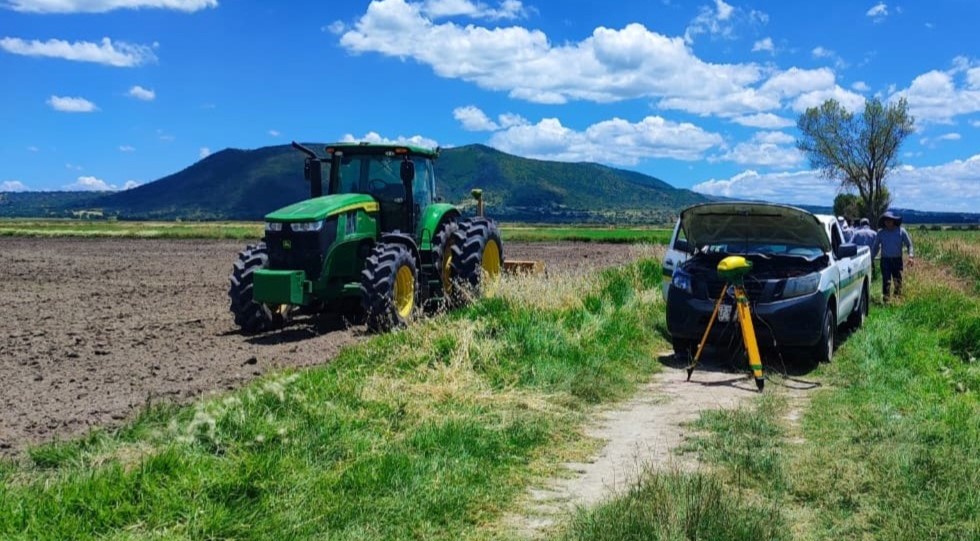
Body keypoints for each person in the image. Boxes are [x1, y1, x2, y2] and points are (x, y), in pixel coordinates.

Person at [871, 211, 914, 300]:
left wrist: (910, 256)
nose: (888, 222)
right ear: (884, 222)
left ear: (894, 221)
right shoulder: (881, 233)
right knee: (886, 281)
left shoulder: (901, 231)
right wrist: (871, 258)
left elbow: (909, 244)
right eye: (886, 221)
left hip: (897, 260)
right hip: (885, 261)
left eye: (890, 220)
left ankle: (897, 300)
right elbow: (875, 247)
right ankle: (886, 301)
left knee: (898, 281)